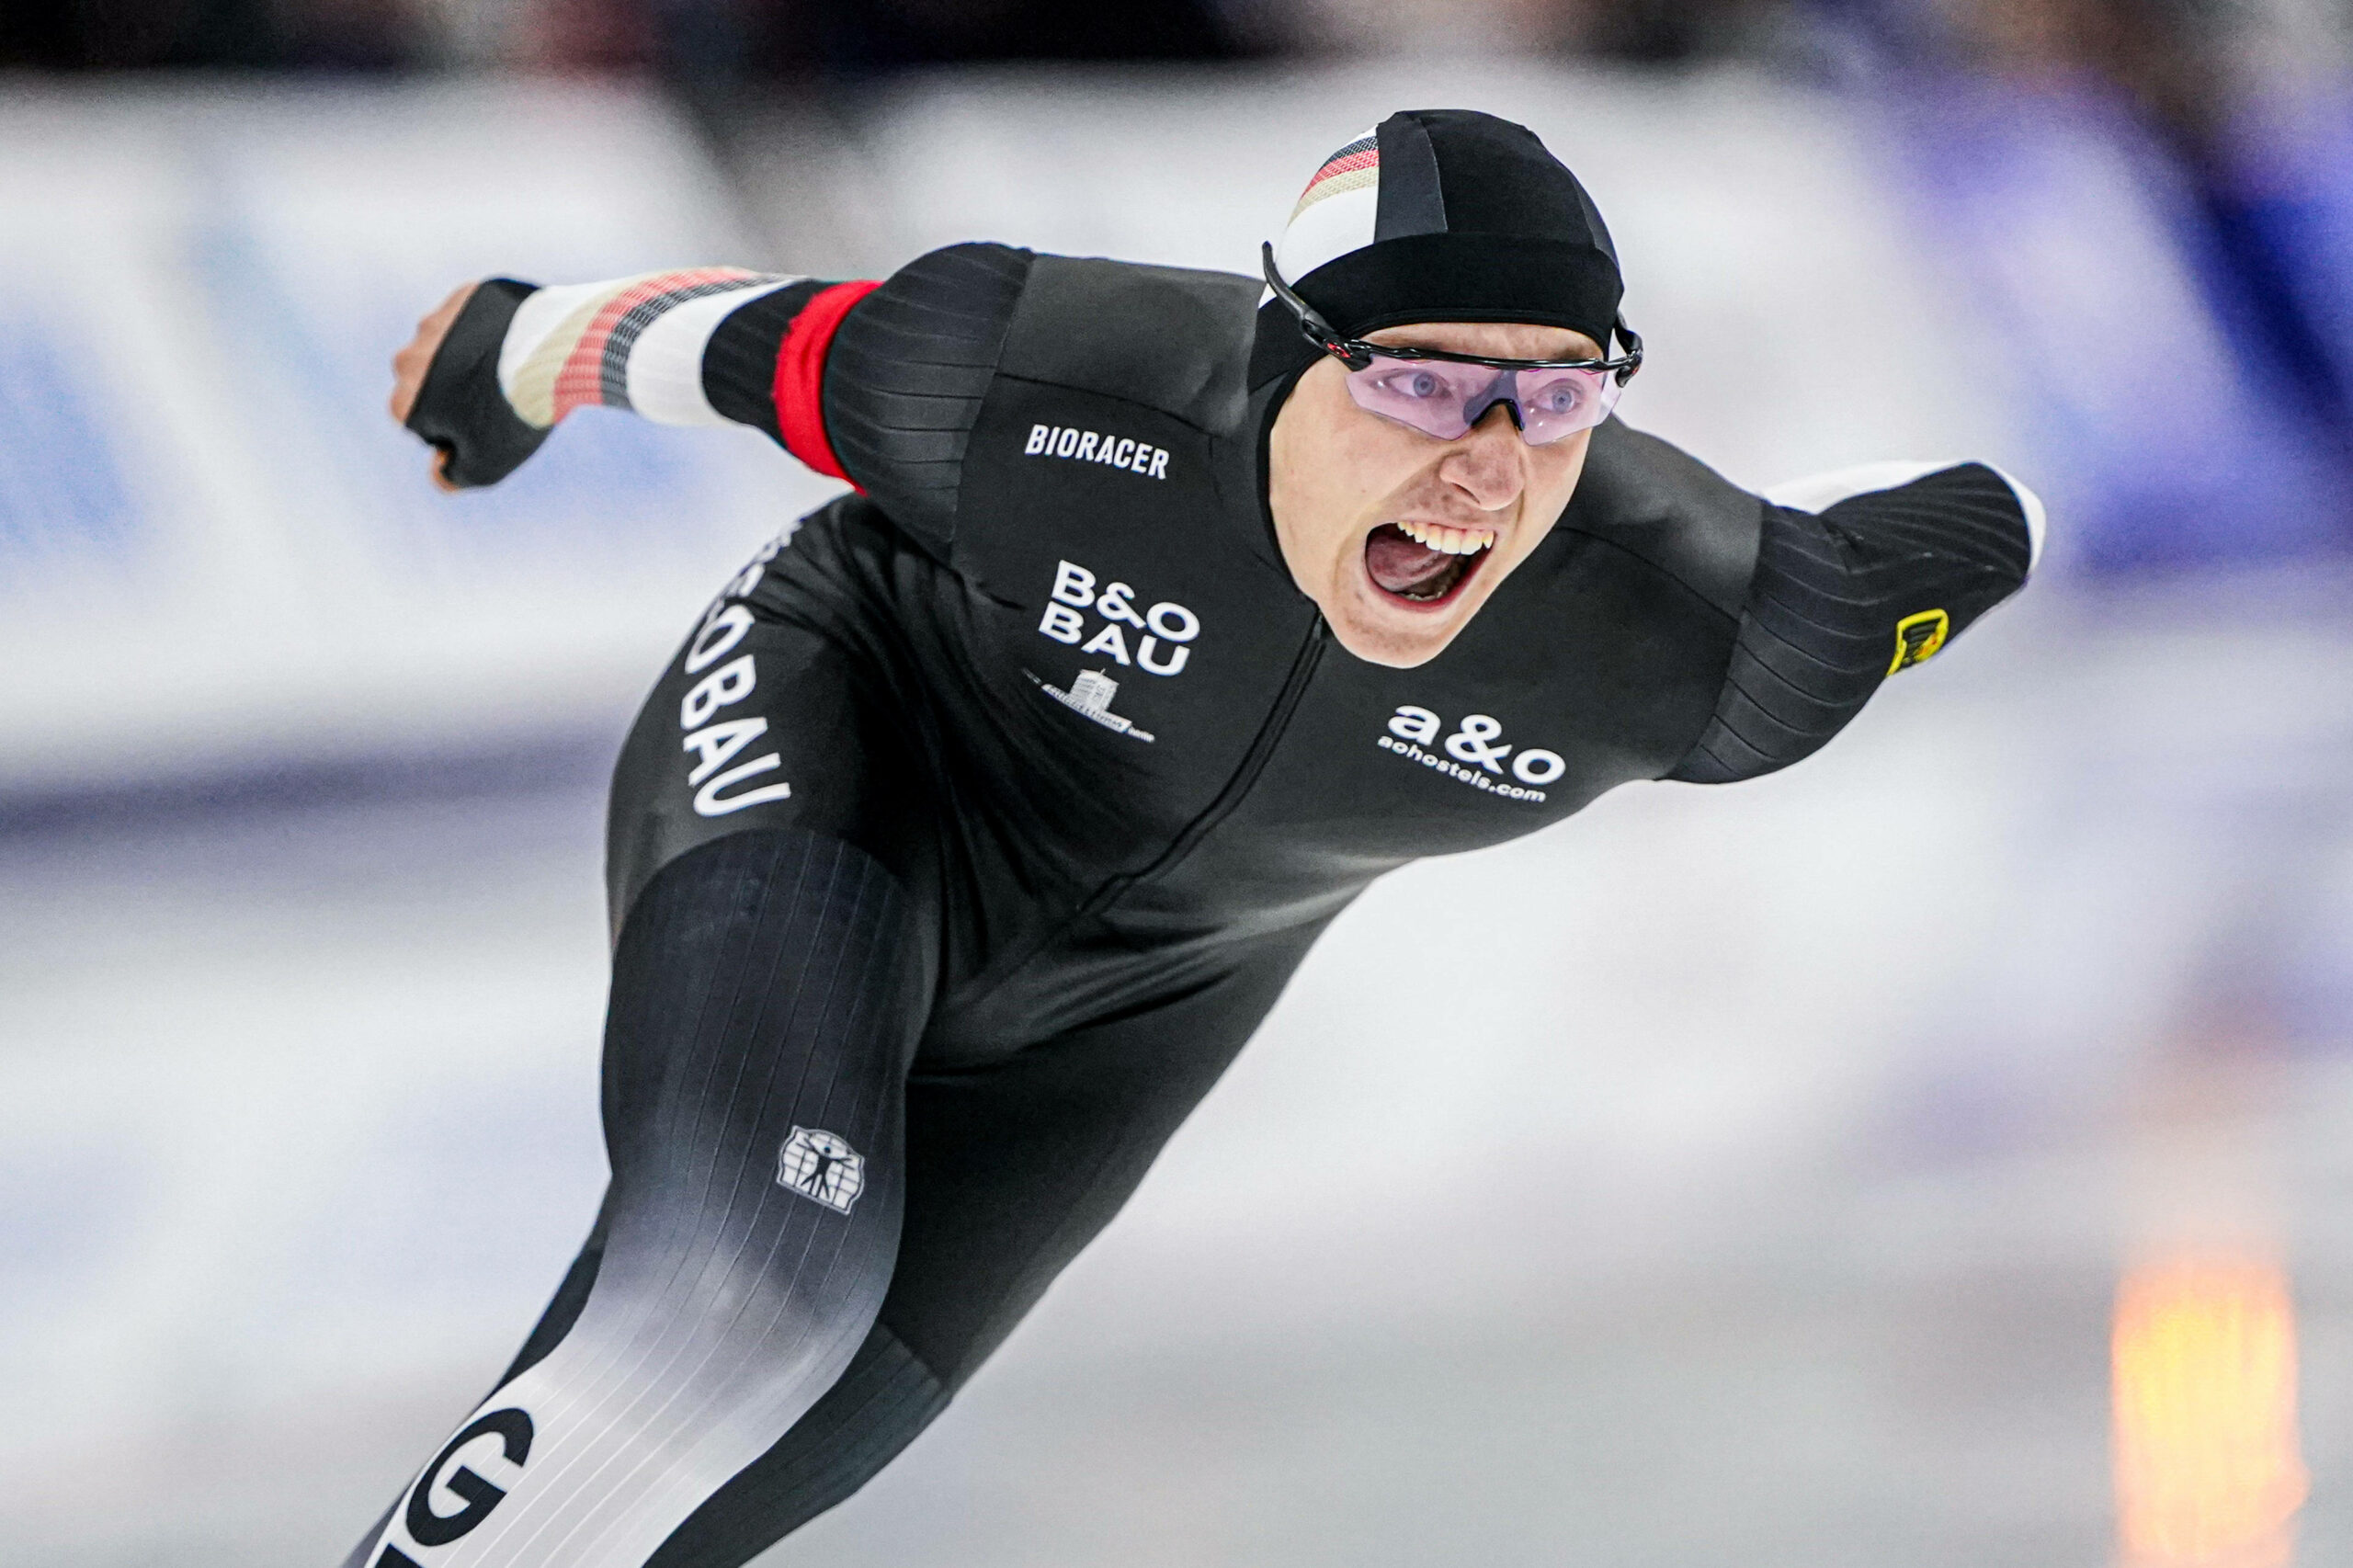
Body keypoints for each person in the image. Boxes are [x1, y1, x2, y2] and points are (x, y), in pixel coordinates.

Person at [357, 109, 2042, 1568]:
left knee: (705, 1496)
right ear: (1283, 357)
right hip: (857, 747)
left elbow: (1971, 518)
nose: (1484, 466)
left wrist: (1878, 528)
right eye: (1423, 383)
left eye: (1554, 399)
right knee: (733, 1305)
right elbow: (705, 339)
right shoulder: (1038, 385)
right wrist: (509, 346)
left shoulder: (1702, 638)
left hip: (1136, 1010)